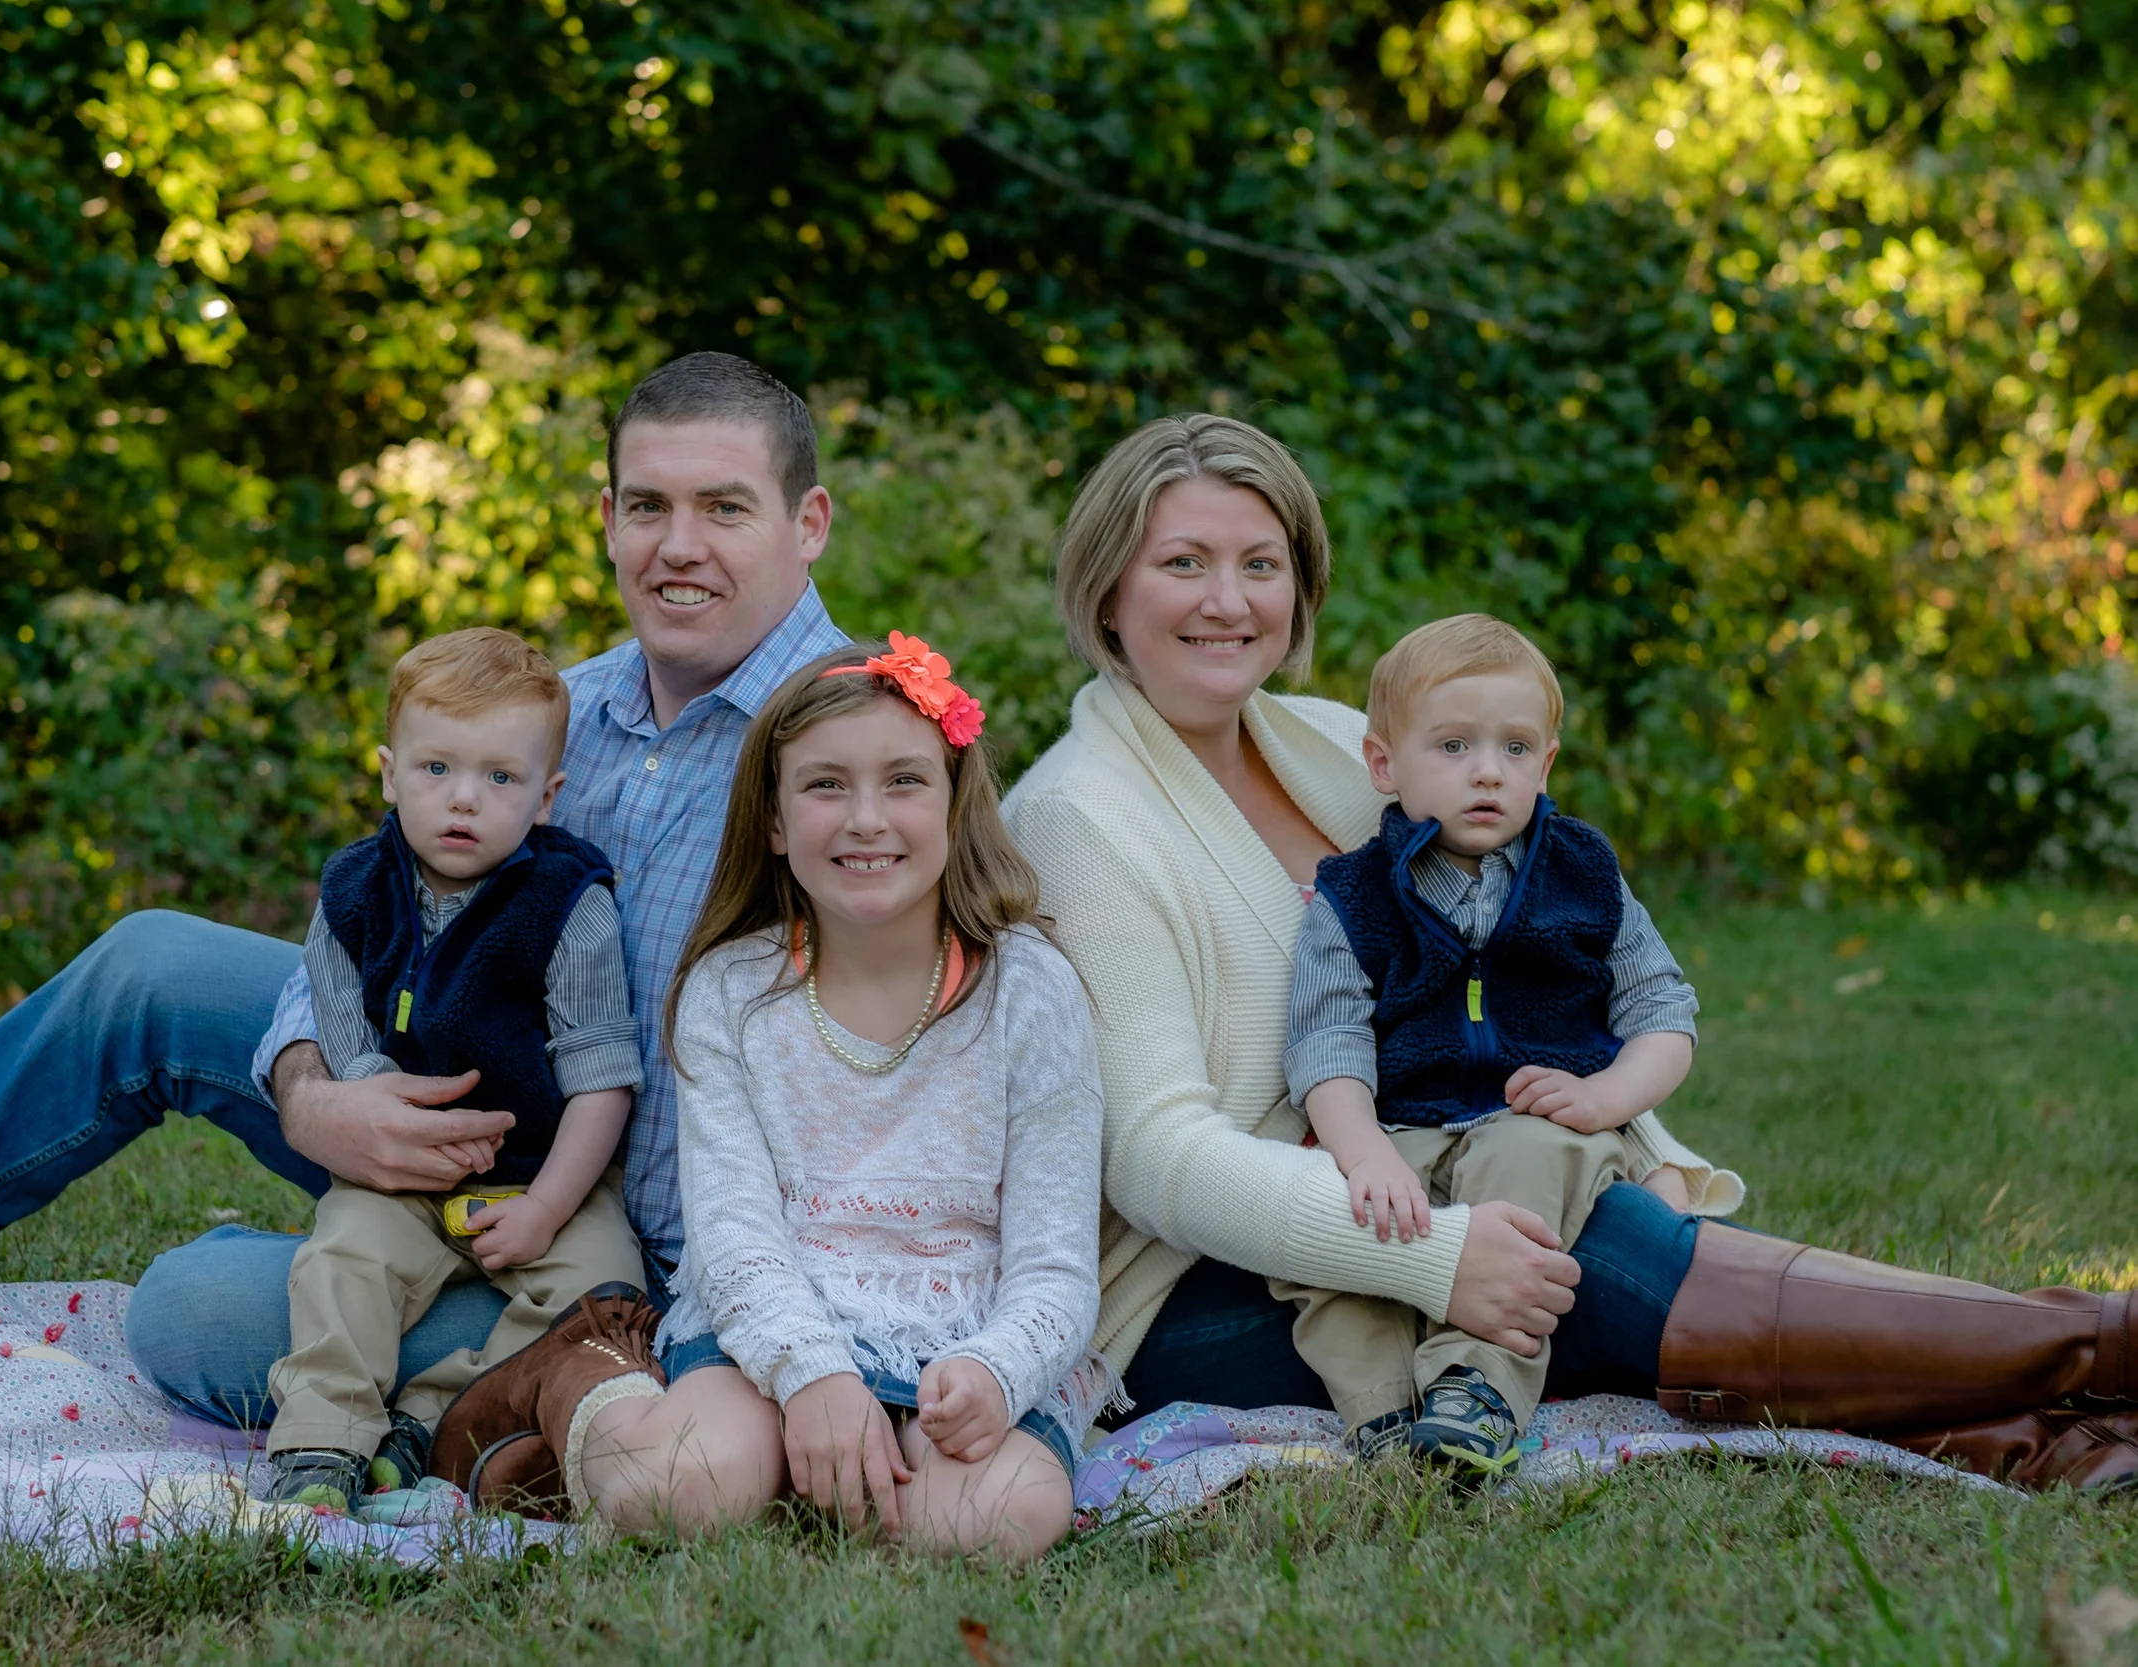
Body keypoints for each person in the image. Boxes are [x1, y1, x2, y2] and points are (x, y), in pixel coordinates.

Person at [0, 354, 849, 1420]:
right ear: (604, 516)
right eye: (647, 504)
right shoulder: (559, 712)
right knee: (152, 962)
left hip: (612, 1252)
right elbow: (361, 918)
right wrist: (313, 1091)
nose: (676, 545)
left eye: (722, 508)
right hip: (433, 1115)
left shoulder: (860, 758)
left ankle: (361, 1311)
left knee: (189, 1312)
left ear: (808, 522)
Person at [1002, 412, 2138, 1491]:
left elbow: (1537, 931)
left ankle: (2045, 1417)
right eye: (1183, 563)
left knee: (1602, 1232)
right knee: (1593, 1261)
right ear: (1107, 586)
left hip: (1462, 1170)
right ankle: (2093, 1348)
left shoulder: (1337, 744)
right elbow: (1159, 1157)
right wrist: (1439, 1257)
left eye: (1259, 562)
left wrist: (1591, 1119)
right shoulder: (1079, 819)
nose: (1226, 600)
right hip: (1216, 1283)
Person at [429, 639, 1104, 1558]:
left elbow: (1057, 1263)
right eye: (825, 785)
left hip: (963, 1324)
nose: (866, 818)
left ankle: (816, 1463)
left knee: (994, 1519)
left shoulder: (1033, 990)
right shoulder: (734, 991)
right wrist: (812, 1372)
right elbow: (736, 1236)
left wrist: (996, 1368)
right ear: (776, 820)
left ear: (955, 805)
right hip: (773, 1314)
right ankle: (583, 1380)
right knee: (685, 1493)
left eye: (904, 780)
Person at [1287, 614, 1698, 1473]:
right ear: (1384, 764)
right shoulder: (1353, 895)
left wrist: (1604, 1099)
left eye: (1515, 749)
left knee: (1528, 1168)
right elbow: (1328, 1043)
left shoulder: (1581, 871)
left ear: (1546, 763)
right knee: (1329, 1221)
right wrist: (1363, 1155)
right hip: (1403, 1133)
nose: (1487, 771)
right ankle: (1379, 1411)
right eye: (1453, 746)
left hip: (1536, 1128)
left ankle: (1475, 1391)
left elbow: (1664, 1009)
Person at [259, 627, 645, 1507]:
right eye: (436, 770)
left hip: (548, 1173)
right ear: (391, 773)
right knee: (341, 1259)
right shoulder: (355, 888)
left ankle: (428, 1422)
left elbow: (601, 1078)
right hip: (404, 1171)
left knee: (600, 1290)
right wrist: (364, 1092)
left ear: (546, 796)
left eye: (500, 778)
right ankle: (321, 1443)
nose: (463, 799)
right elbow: (336, 1004)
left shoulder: (568, 909)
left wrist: (549, 1206)